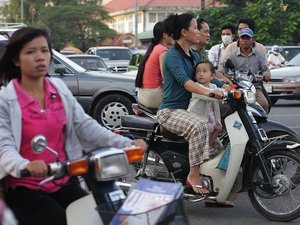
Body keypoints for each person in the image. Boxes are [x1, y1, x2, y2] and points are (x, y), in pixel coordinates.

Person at [0, 27, 147, 225]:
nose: (40, 57)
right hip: (25, 187)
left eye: (44, 51)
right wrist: (25, 165)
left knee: (99, 217)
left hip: (61, 179)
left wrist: (126, 143)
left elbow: (86, 126)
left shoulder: (58, 89)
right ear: (16, 60)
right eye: (30, 52)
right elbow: (4, 148)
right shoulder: (5, 100)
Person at [157, 13, 223, 195]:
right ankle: (193, 175)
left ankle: (214, 183)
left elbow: (206, 77)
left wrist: (227, 87)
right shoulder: (172, 55)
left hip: (189, 110)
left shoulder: (193, 55)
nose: (198, 31)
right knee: (200, 127)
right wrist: (209, 92)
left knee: (218, 145)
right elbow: (185, 82)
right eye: (195, 28)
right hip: (170, 111)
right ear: (184, 32)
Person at [225, 27, 271, 113]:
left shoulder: (259, 55)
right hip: (238, 87)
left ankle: (260, 124)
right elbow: (224, 68)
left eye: (248, 38)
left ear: (252, 40)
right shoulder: (232, 56)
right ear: (239, 40)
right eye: (243, 38)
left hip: (254, 87)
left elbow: (265, 69)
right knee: (227, 106)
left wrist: (266, 75)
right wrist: (226, 76)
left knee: (263, 104)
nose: (245, 40)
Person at [187, 61, 223, 155]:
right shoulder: (197, 87)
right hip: (199, 116)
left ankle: (207, 147)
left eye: (204, 71)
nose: (201, 74)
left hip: (211, 116)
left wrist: (229, 92)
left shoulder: (213, 86)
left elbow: (220, 91)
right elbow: (208, 94)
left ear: (212, 76)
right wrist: (218, 94)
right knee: (209, 128)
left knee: (218, 128)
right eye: (198, 72)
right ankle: (202, 150)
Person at [135, 21, 173, 108]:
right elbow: (166, 77)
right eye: (171, 33)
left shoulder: (154, 48)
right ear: (165, 35)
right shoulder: (162, 50)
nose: (174, 36)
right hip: (152, 96)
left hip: (142, 95)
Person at [195, 18, 232, 88]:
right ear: (196, 32)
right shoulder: (192, 52)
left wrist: (228, 81)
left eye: (209, 32)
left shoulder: (202, 51)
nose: (208, 35)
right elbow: (207, 74)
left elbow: (211, 70)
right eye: (205, 32)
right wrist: (223, 85)